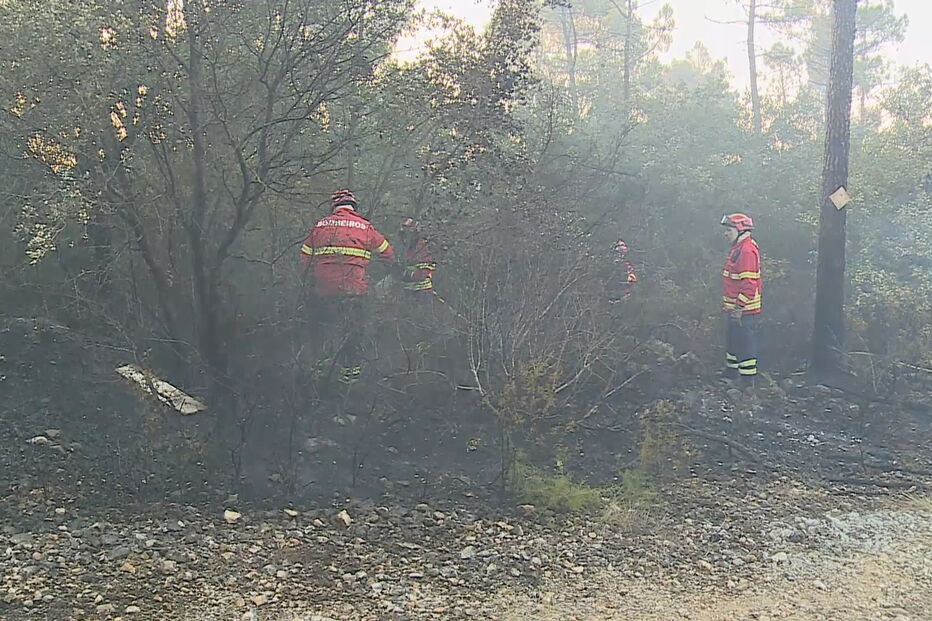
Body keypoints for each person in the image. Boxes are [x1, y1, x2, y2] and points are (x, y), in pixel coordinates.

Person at [300, 188, 395, 383]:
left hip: (323, 291)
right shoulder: (365, 227)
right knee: (352, 336)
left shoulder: (320, 226)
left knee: (322, 332)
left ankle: (318, 376)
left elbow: (304, 259)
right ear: (354, 206)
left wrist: (311, 281)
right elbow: (388, 254)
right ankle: (350, 381)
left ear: (333, 206)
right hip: (355, 292)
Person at [720, 213, 762, 382]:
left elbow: (749, 284)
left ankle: (747, 381)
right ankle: (731, 372)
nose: (725, 233)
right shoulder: (738, 248)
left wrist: (739, 308)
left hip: (744, 310)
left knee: (744, 344)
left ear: (740, 231)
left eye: (729, 230)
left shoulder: (747, 251)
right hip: (734, 309)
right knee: (733, 341)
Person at [399, 218, 437, 294]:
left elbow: (428, 267)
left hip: (422, 291)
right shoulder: (403, 247)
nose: (406, 234)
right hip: (406, 290)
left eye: (408, 231)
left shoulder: (422, 247)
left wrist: (411, 274)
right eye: (404, 231)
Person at [610, 238, 638, 303]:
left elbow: (633, 280)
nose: (622, 248)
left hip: (626, 294)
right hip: (614, 292)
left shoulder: (630, 262)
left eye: (623, 245)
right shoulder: (611, 262)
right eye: (619, 246)